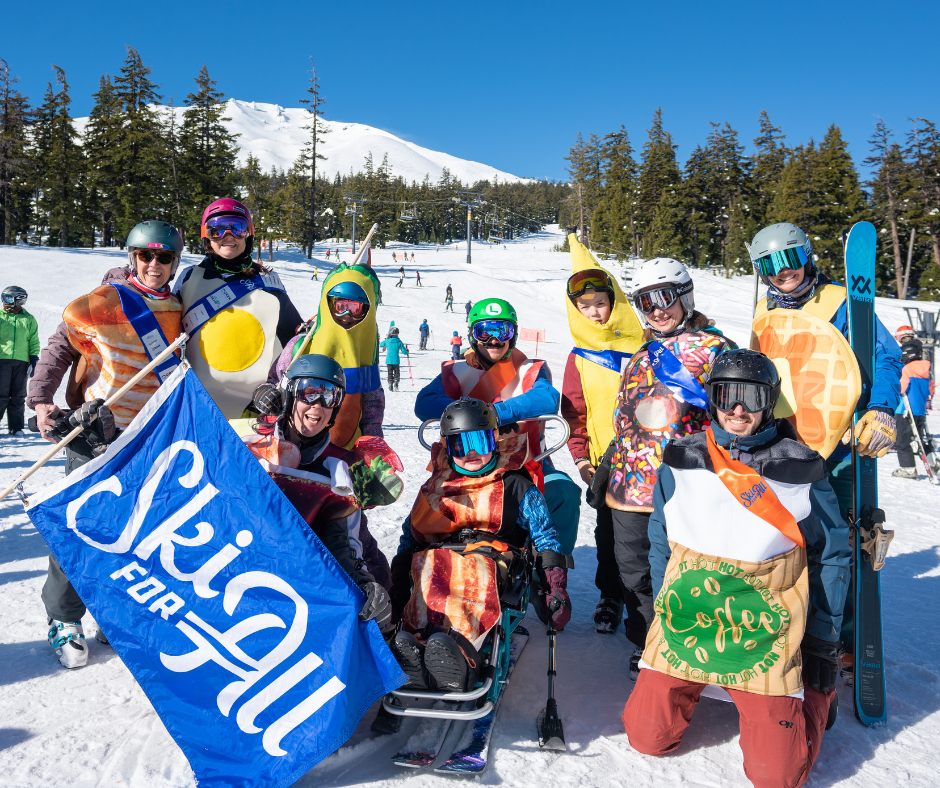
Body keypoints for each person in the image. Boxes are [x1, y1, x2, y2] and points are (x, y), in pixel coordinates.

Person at [622, 349, 849, 788]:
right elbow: (660, 539)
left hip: (762, 631)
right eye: (727, 395)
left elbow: (830, 555)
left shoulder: (799, 468)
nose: (738, 409)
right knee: (647, 738)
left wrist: (822, 641)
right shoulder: (681, 459)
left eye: (751, 396)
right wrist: (658, 616)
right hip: (691, 623)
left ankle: (817, 697)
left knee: (777, 777)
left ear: (770, 401)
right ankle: (688, 686)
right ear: (712, 400)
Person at [27, 220, 185, 669]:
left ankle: (116, 613)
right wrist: (40, 401)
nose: (154, 265)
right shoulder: (105, 301)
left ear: (176, 262)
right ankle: (63, 617)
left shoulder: (179, 305)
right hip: (95, 430)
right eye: (145, 255)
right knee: (79, 526)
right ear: (131, 256)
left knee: (137, 530)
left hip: (151, 434)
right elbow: (59, 347)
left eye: (164, 257)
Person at [749, 222, 901, 667]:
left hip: (837, 443)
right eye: (770, 265)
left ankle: (844, 638)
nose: (784, 273)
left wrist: (883, 408)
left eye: (790, 259)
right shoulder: (765, 311)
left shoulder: (841, 303)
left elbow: (885, 356)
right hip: (782, 444)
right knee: (789, 542)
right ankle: (793, 626)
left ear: (807, 256)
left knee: (841, 543)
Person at [598, 258, 735, 678]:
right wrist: (607, 466)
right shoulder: (640, 356)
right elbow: (627, 421)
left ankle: (686, 647)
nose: (657, 309)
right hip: (629, 489)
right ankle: (647, 647)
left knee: (683, 571)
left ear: (685, 295)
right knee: (634, 573)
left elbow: (736, 416)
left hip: (686, 485)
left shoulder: (717, 350)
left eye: (665, 297)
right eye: (645, 301)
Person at [388, 398, 570, 691]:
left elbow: (544, 533)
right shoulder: (438, 486)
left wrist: (555, 586)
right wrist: (397, 583)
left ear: (494, 440)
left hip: (492, 558)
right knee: (428, 571)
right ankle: (417, 645)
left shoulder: (513, 484)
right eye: (461, 445)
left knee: (471, 576)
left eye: (480, 441)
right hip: (441, 554)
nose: (471, 453)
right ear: (448, 447)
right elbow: (412, 535)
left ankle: (462, 656)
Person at [415, 298, 582, 562]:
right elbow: (424, 402)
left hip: (527, 463)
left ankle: (550, 568)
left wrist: (494, 414)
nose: (494, 340)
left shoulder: (529, 370)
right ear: (473, 336)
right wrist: (466, 411)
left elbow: (547, 398)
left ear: (513, 335)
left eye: (502, 331)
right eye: (485, 331)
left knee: (564, 492)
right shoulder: (458, 371)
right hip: (469, 460)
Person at [237, 354, 395, 625]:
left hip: (299, 585)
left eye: (329, 397)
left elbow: (343, 538)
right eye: (309, 392)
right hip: (241, 567)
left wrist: (364, 584)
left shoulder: (337, 468)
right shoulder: (250, 447)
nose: (318, 405)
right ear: (288, 395)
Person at [559, 240, 644, 635]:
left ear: (614, 302)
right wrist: (581, 458)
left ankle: (645, 608)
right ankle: (610, 595)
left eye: (600, 303)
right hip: (604, 464)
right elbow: (574, 412)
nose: (594, 312)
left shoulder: (643, 347)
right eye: (585, 306)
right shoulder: (578, 357)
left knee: (644, 543)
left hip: (648, 460)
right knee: (608, 535)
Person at [176, 199, 303, 419]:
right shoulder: (189, 278)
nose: (228, 235)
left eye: (237, 227)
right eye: (217, 229)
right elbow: (160, 316)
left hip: (252, 411)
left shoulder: (268, 283)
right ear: (206, 236)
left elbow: (295, 343)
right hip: (197, 405)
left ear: (249, 233)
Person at [894, 339, 938, 478]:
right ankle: (932, 459)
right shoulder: (926, 370)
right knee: (917, 438)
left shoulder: (906, 369)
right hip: (919, 410)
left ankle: (908, 469)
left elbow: (901, 388)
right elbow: (930, 390)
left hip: (905, 410)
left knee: (903, 440)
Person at [0, 285, 39, 435]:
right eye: (3, 298)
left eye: (8, 298)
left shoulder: (28, 319)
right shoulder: (1, 317)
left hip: (21, 362)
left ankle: (16, 428)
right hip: (2, 360)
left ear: (19, 301)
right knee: (1, 395)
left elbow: (33, 341)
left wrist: (33, 359)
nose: (4, 302)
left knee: (18, 395)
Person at [380, 327, 409, 391]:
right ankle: (396, 383)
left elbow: (381, 345)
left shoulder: (387, 341)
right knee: (397, 372)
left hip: (388, 360)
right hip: (396, 360)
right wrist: (407, 351)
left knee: (390, 373)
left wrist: (386, 339)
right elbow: (404, 352)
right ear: (397, 334)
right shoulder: (399, 341)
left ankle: (390, 384)